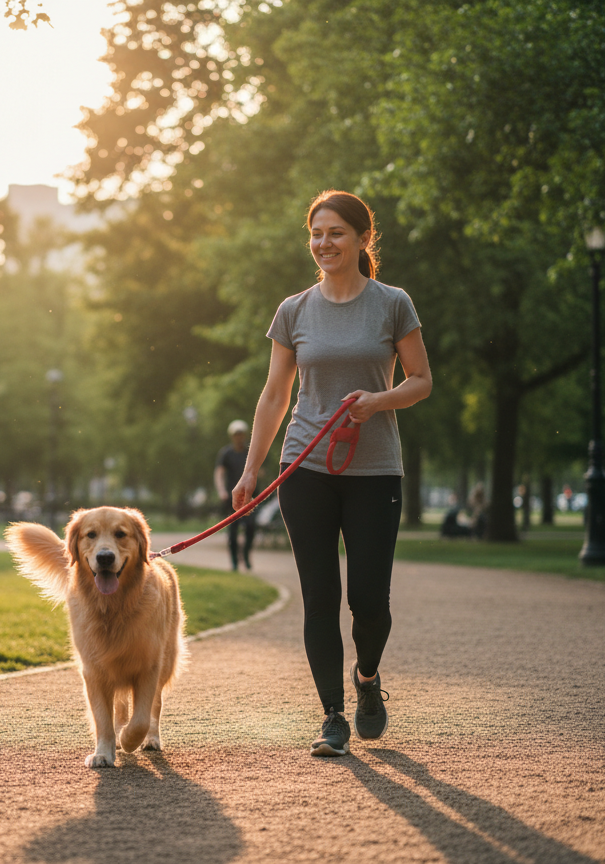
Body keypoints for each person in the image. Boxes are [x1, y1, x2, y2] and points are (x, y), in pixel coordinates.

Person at [231, 190, 432, 758]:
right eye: (317, 234)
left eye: (337, 233)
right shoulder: (293, 310)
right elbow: (274, 395)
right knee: (321, 595)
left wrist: (380, 400)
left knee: (369, 602)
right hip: (305, 466)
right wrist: (252, 471)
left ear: (364, 238)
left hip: (374, 470)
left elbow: (421, 379)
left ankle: (367, 679)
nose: (324, 243)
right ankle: (332, 717)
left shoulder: (393, 304)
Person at [214, 420, 258, 570]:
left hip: (249, 498)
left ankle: (246, 555)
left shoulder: (250, 452)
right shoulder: (226, 454)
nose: (238, 437)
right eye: (236, 435)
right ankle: (234, 562)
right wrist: (221, 491)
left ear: (244, 435)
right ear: (232, 436)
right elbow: (219, 473)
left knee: (251, 527)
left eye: (241, 434)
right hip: (231, 499)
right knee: (232, 533)